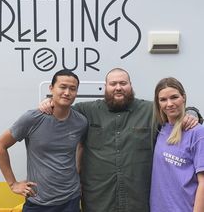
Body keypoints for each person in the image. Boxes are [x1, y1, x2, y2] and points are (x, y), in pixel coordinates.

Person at [39, 68, 198, 212]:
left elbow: (172, 110)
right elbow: (63, 110)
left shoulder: (150, 111)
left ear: (131, 85)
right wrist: (50, 102)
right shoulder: (86, 111)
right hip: (98, 200)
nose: (118, 87)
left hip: (139, 201)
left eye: (123, 83)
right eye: (113, 83)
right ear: (105, 87)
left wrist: (191, 114)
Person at [0, 69, 88, 212]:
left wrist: (78, 176)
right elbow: (0, 145)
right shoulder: (33, 118)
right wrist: (13, 184)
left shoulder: (81, 122)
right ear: (51, 88)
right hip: (38, 201)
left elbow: (81, 146)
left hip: (71, 199)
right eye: (62, 87)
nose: (67, 92)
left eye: (72, 89)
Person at [150, 77, 204, 212]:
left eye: (174, 97)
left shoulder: (197, 132)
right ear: (158, 103)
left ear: (183, 97)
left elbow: (203, 182)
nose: (169, 104)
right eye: (163, 99)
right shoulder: (160, 129)